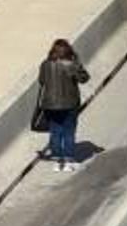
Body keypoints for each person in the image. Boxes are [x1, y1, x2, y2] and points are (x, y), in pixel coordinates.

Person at [37, 39, 90, 172]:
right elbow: (84, 78)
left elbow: (41, 81)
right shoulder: (71, 64)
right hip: (69, 104)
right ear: (68, 51)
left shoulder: (45, 64)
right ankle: (68, 160)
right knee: (69, 131)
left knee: (55, 132)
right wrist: (77, 62)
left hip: (50, 105)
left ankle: (57, 161)